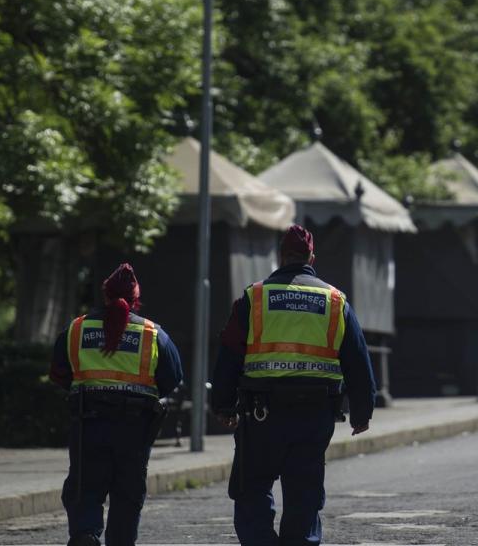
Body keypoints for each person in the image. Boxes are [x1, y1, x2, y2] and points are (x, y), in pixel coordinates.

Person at [212, 225, 377, 546]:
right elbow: (358, 360)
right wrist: (362, 412)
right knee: (304, 490)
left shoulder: (254, 297)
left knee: (252, 487)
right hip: (314, 415)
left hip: (262, 415)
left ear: (280, 255)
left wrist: (222, 404)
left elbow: (230, 354)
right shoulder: (334, 301)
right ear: (311, 257)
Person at [48, 263, 184, 546]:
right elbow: (173, 378)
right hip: (134, 428)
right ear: (136, 298)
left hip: (88, 424)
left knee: (84, 487)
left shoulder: (76, 329)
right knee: (127, 495)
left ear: (105, 295)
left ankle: (85, 534)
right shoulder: (153, 334)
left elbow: (59, 373)